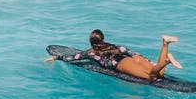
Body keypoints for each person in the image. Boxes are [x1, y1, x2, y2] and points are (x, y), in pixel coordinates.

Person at [45, 29, 183, 80]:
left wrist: (56, 57)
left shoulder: (91, 52)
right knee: (159, 73)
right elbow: (128, 51)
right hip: (134, 58)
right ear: (103, 38)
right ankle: (165, 43)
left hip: (123, 64)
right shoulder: (114, 46)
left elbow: (73, 58)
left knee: (151, 76)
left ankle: (167, 61)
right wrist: (146, 59)